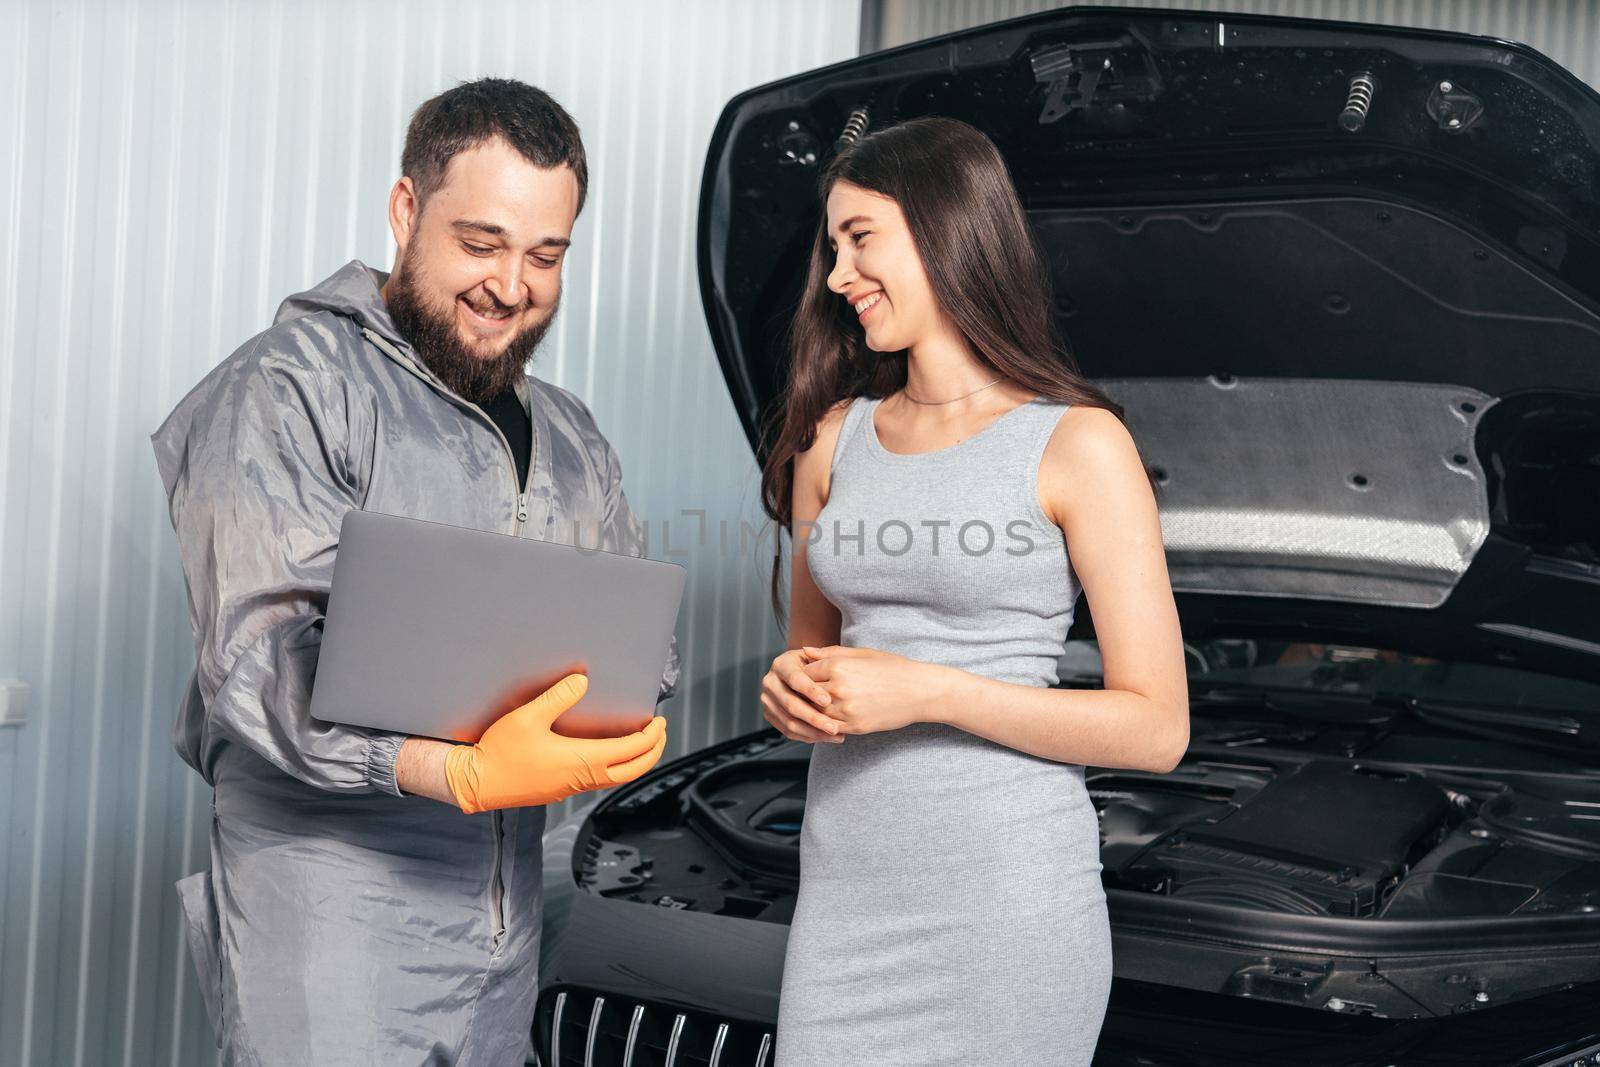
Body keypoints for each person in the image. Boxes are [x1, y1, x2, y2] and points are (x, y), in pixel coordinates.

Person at [151, 78, 676, 1064]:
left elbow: (639, 638)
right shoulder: (290, 386)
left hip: (502, 917)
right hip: (333, 907)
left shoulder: (572, 436)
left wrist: (630, 701)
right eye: (480, 243)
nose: (511, 285)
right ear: (405, 210)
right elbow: (252, 662)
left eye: (545, 254)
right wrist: (448, 766)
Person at [758, 117, 1190, 1064]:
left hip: (1007, 908)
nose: (836, 275)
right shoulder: (834, 437)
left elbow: (1157, 728)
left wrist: (930, 690)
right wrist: (791, 692)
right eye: (832, 247)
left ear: (948, 227)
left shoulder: (1078, 443)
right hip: (844, 903)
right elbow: (808, 662)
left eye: (861, 238)